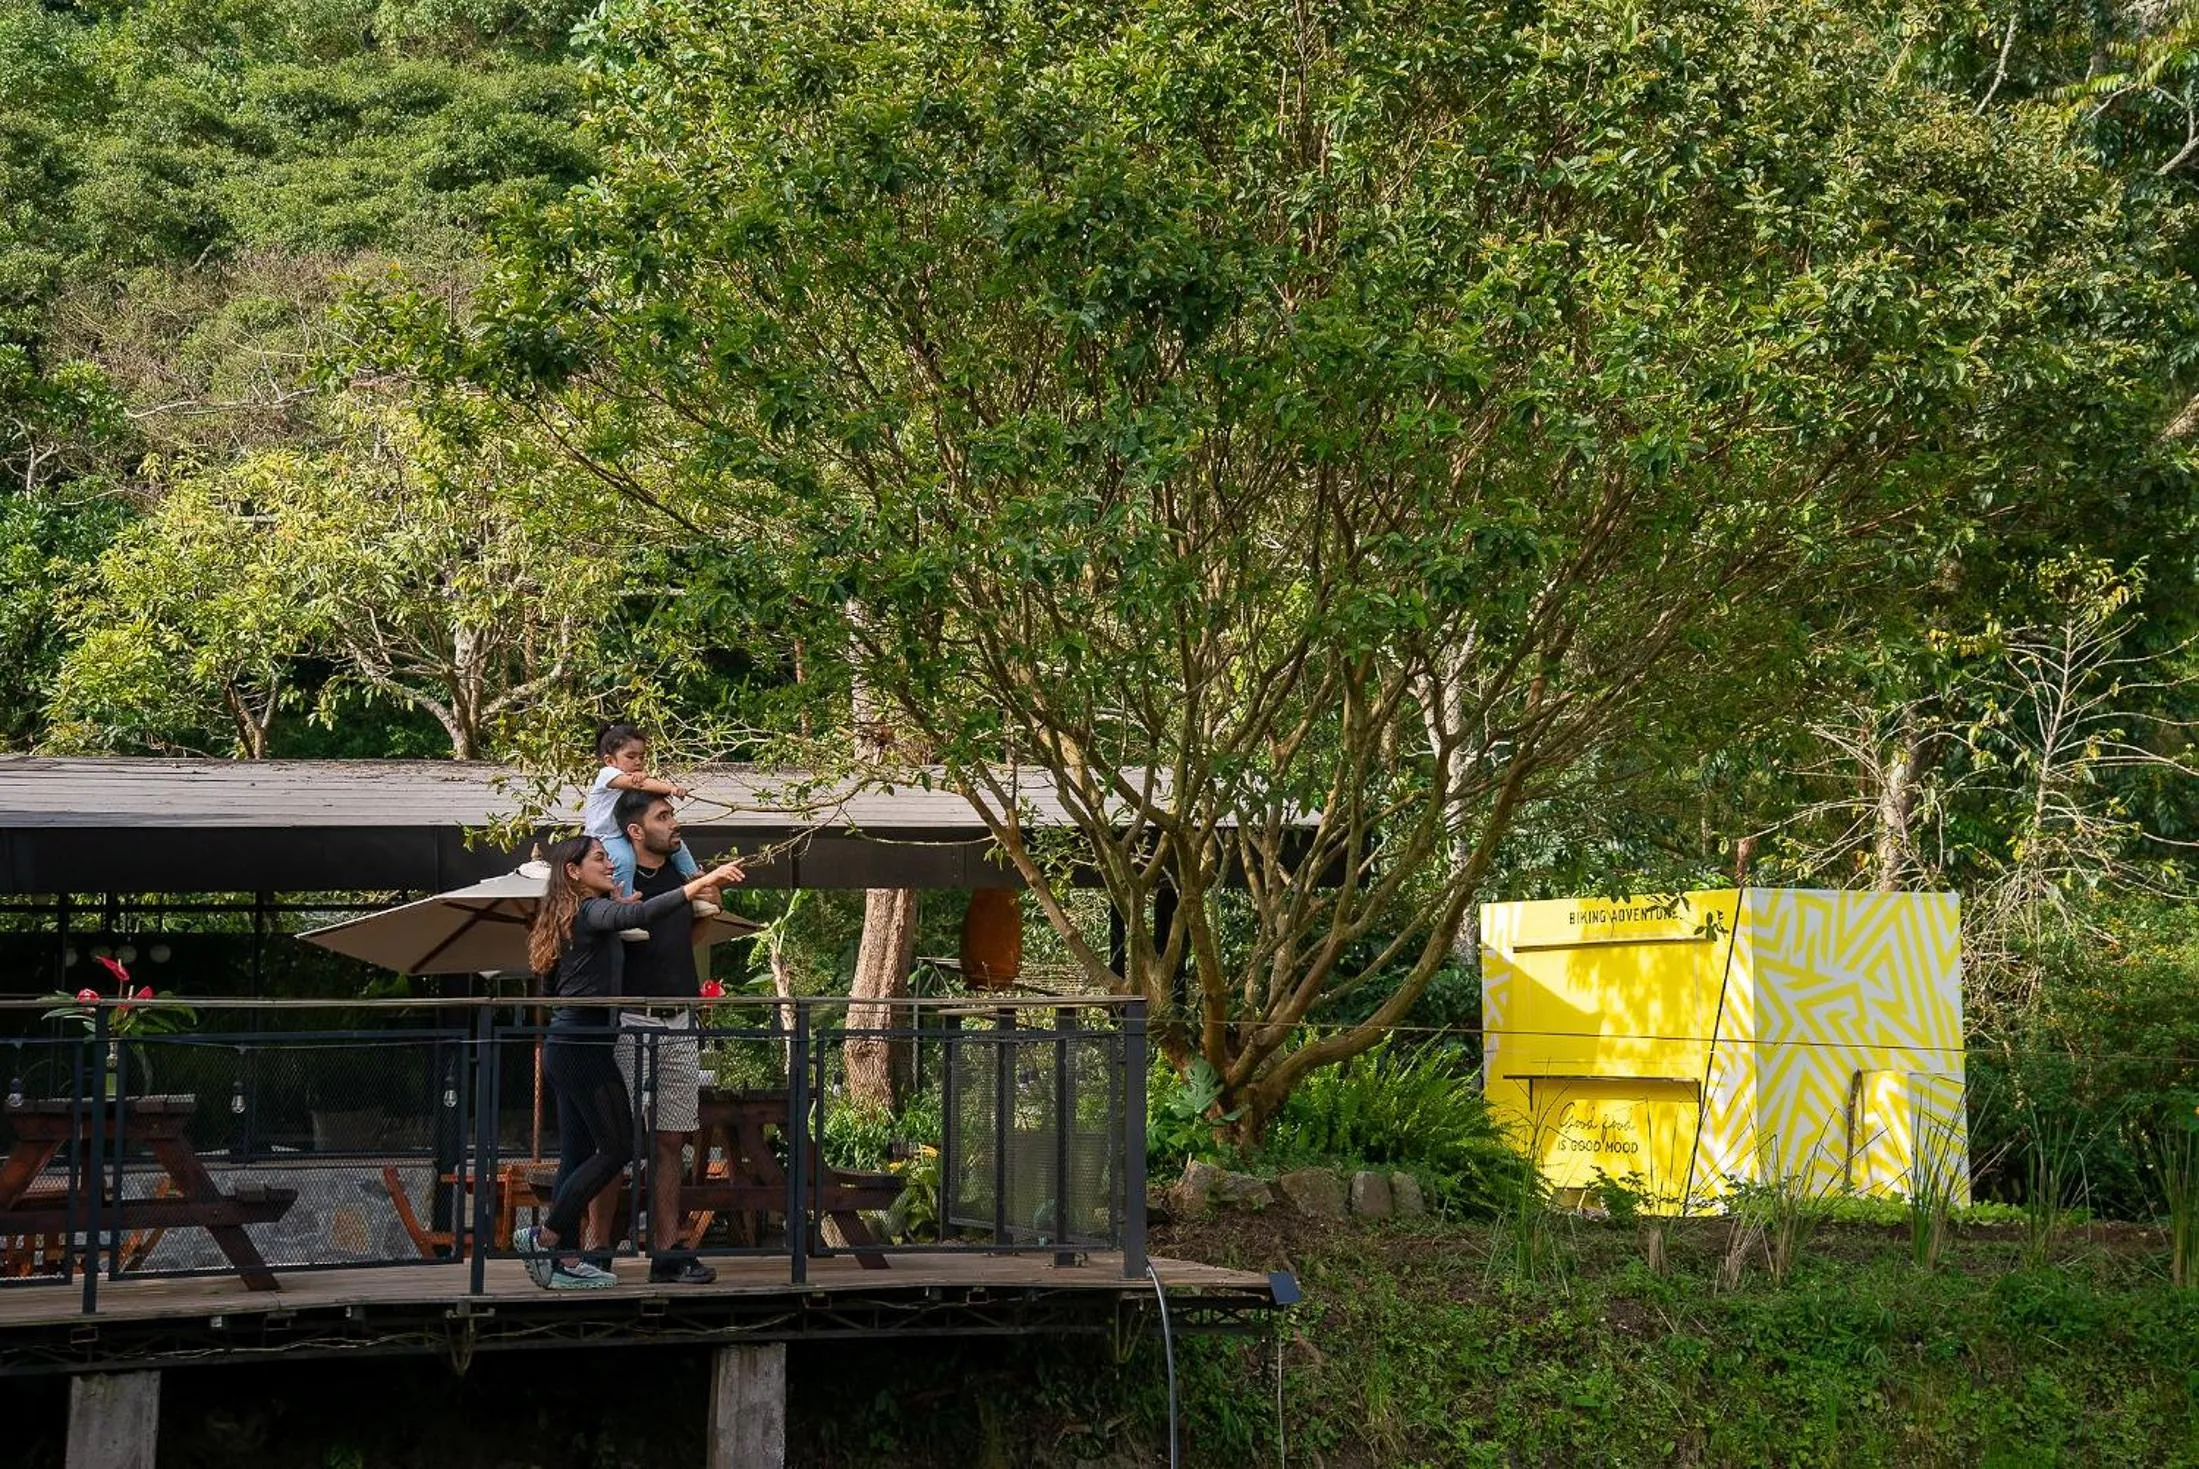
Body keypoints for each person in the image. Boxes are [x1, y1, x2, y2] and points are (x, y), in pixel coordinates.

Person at [513, 833, 744, 1291]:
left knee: (579, 1154)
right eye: (600, 859)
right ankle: (545, 1236)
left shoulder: (582, 915)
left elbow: (559, 982)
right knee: (618, 1148)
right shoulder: (589, 910)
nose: (610, 864)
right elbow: (640, 914)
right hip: (582, 1047)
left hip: (576, 1042)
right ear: (573, 872)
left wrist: (622, 904)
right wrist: (702, 883)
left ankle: (562, 1258)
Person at [610, 788, 738, 1284]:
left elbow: (690, 934)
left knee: (672, 1139)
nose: (674, 821)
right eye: (663, 815)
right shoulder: (618, 880)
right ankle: (598, 1249)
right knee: (613, 1139)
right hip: (628, 1017)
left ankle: (666, 1252)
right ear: (636, 831)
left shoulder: (684, 877)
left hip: (679, 1019)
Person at [585, 724, 715, 915]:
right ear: (609, 760)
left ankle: (696, 887)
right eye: (631, 756)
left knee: (680, 849)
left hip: (622, 831)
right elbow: (643, 785)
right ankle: (623, 906)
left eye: (641, 757)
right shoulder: (607, 774)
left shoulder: (633, 776)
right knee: (624, 860)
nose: (638, 761)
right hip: (604, 835)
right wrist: (670, 788)